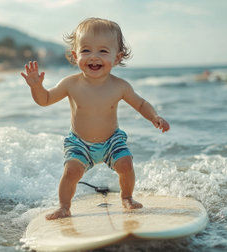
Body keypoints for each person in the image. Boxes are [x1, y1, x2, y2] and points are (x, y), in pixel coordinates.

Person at [21, 17, 170, 220]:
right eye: (86, 50)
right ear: (75, 56)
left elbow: (141, 103)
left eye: (103, 51)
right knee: (71, 172)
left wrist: (154, 116)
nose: (94, 57)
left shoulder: (120, 86)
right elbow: (45, 100)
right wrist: (36, 87)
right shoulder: (70, 84)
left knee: (126, 164)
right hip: (79, 142)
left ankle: (127, 197)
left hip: (111, 140)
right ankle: (64, 207)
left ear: (117, 58)